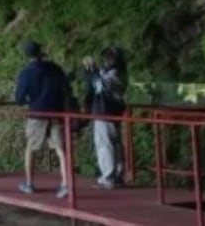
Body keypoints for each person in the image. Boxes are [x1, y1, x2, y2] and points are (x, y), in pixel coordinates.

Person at [14, 40, 73, 198]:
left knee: (31, 149)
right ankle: (66, 184)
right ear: (41, 52)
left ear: (27, 55)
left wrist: (30, 99)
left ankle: (29, 183)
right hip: (56, 113)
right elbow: (67, 89)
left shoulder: (26, 73)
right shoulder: (55, 68)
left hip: (37, 114)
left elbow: (19, 98)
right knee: (62, 150)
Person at [84, 47, 128, 188]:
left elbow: (100, 85)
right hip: (111, 112)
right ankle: (117, 175)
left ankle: (109, 177)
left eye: (109, 58)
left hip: (105, 112)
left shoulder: (116, 74)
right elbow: (94, 81)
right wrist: (91, 70)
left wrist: (93, 70)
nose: (106, 61)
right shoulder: (115, 72)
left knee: (105, 144)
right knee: (114, 144)